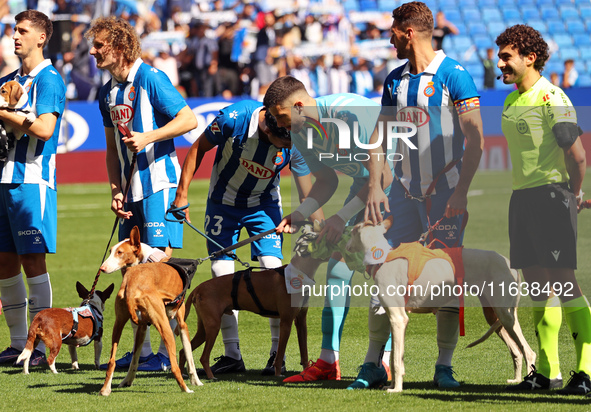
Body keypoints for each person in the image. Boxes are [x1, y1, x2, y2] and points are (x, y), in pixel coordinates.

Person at [363, 1, 484, 389]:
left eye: (393, 31)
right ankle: (373, 363)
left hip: (444, 194)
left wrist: (461, 193)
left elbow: (476, 140)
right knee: (384, 274)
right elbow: (378, 138)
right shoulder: (394, 80)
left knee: (446, 281)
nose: (390, 38)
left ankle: (444, 367)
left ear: (408, 32)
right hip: (401, 195)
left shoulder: (454, 76)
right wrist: (373, 189)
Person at [170, 100, 317, 376]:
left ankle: (277, 356)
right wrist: (182, 194)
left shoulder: (294, 138)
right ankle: (232, 354)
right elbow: (198, 147)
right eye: (281, 142)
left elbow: (307, 192)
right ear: (269, 126)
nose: (285, 148)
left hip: (264, 205)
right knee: (220, 272)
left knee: (276, 272)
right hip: (223, 203)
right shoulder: (234, 119)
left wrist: (300, 216)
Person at [85, 16, 198, 372]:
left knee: (159, 266)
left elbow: (189, 119)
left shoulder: (150, 78)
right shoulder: (106, 92)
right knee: (130, 269)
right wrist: (115, 189)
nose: (93, 51)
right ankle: (146, 353)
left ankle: (167, 352)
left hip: (158, 186)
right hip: (130, 191)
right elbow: (109, 149)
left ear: (119, 47)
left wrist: (149, 137)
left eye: (100, 46)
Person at [266, 75, 394, 383]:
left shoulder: (349, 114)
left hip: (401, 189)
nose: (281, 126)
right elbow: (327, 181)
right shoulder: (299, 132)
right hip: (364, 189)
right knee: (338, 270)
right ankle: (328, 362)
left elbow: (385, 178)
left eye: (281, 117)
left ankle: (383, 361)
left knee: (381, 273)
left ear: (298, 105)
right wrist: (300, 213)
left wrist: (340, 217)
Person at [496, 24, 591, 395]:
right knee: (537, 285)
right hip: (521, 199)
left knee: (563, 282)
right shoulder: (510, 100)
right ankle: (547, 373)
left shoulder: (552, 98)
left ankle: (584, 372)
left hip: (552, 197)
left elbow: (578, 155)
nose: (500, 63)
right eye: (500, 56)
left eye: (506, 56)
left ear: (529, 57)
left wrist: (575, 193)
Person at [0, 10, 66, 367]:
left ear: (42, 37)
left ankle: (41, 347)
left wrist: (4, 114)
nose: (15, 36)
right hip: (3, 177)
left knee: (32, 261)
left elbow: (43, 129)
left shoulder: (49, 80)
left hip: (32, 180)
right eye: (14, 30)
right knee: (4, 261)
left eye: (23, 31)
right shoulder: (8, 79)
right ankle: (16, 345)